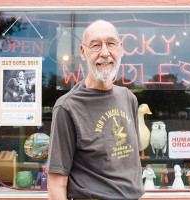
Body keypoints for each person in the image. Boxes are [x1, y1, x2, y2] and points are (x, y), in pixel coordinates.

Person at [46, 20, 145, 200]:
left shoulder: (128, 98)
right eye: (96, 45)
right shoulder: (67, 107)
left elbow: (130, 164)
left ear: (121, 48)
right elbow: (56, 183)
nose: (105, 52)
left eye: (111, 44)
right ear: (83, 52)